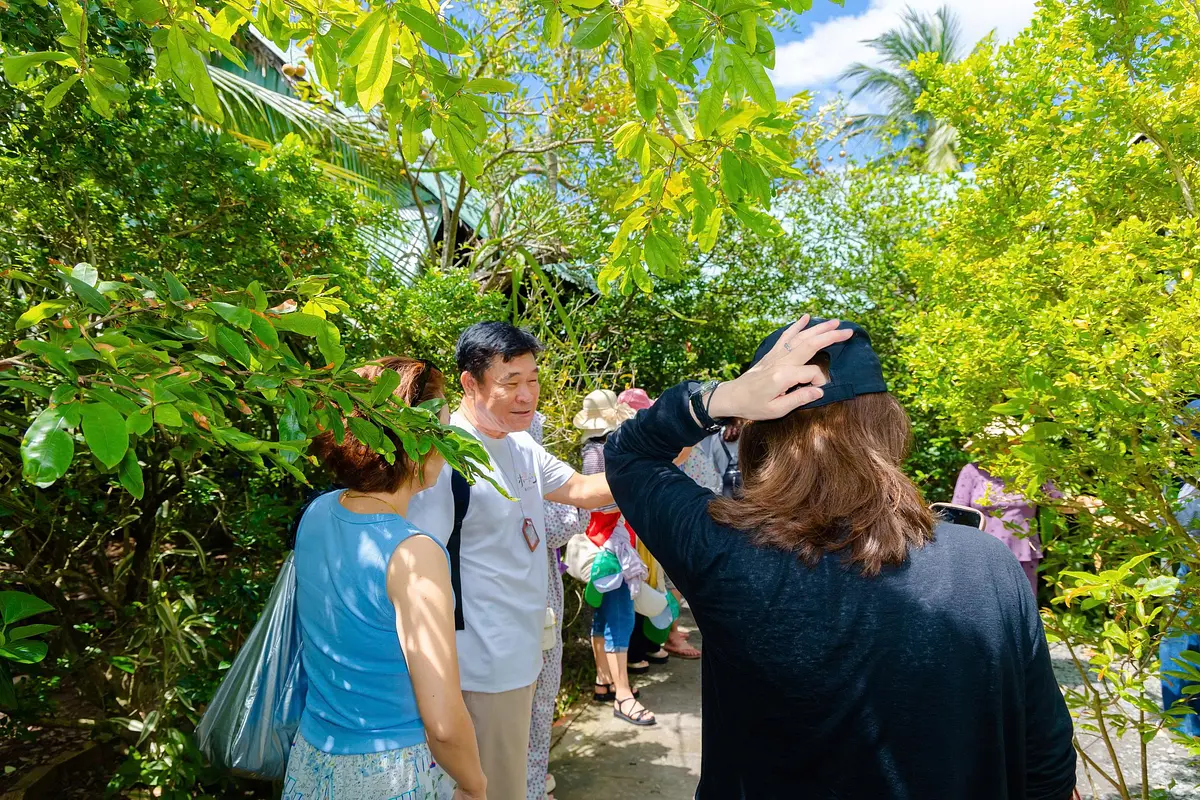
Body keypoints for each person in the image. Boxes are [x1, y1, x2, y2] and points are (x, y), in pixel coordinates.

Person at [604, 316, 1077, 799]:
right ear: (890, 424)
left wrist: (719, 400)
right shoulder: (988, 565)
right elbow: (1046, 760)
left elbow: (628, 454)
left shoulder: (723, 550)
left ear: (755, 435)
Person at [406, 322, 617, 800]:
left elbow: (584, 491)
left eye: (533, 379)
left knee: (506, 783)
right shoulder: (445, 457)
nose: (527, 395)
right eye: (511, 382)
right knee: (492, 788)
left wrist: (662, 459)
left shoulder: (520, 442)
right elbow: (416, 569)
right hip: (476, 663)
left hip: (519, 655)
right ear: (470, 383)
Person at [286, 357, 485, 800]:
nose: (448, 445)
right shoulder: (415, 554)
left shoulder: (318, 513)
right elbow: (443, 722)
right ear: (414, 440)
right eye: (443, 431)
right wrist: (475, 786)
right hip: (391, 771)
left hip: (314, 757)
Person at [575, 390, 656, 726]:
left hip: (599, 539)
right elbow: (601, 499)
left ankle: (603, 680)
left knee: (605, 613)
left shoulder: (590, 448)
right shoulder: (604, 450)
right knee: (620, 614)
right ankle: (623, 693)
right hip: (611, 541)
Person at [526, 411, 587, 800]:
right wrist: (578, 505)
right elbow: (563, 524)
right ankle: (529, 786)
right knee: (535, 704)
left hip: (530, 606)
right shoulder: (528, 474)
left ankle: (531, 780)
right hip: (536, 608)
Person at [952, 456, 1048, 596]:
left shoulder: (1033, 471)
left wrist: (1088, 503)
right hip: (981, 554)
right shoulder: (972, 471)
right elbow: (957, 514)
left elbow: (1061, 501)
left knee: (1021, 606)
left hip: (1022, 553)